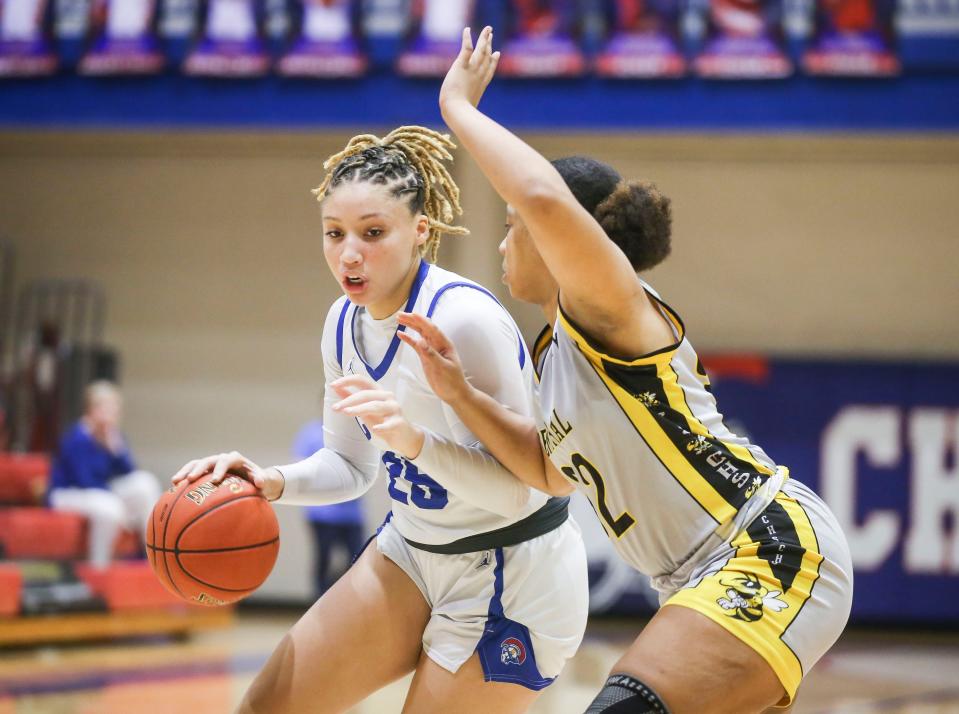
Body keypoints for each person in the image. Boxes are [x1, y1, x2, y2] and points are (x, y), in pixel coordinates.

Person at [396, 27, 854, 714]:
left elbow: (546, 199)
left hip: (762, 547)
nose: (502, 239)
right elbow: (549, 472)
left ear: (559, 240)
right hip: (694, 577)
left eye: (510, 224)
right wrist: (458, 393)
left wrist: (457, 108)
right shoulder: (557, 353)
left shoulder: (611, 307)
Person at [172, 126, 589, 714]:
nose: (349, 254)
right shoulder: (343, 322)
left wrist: (414, 443)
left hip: (511, 569)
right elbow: (349, 464)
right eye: (334, 234)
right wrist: (271, 482)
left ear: (420, 231)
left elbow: (522, 494)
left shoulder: (465, 320)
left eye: (372, 233)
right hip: (414, 550)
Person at [48, 380, 161, 569]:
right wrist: (123, 509)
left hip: (100, 490)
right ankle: (98, 568)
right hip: (67, 493)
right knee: (110, 508)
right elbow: (84, 481)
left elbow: (130, 472)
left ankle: (149, 553)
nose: (113, 414)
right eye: (107, 408)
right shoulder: (77, 437)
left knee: (145, 483)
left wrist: (116, 449)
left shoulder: (112, 435)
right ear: (92, 409)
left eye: (115, 409)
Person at [291, 416, 365, 595]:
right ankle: (319, 603)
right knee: (323, 560)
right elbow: (300, 468)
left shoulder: (357, 432)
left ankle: (346, 602)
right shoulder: (310, 433)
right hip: (322, 513)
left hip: (352, 514)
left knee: (357, 562)